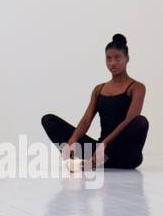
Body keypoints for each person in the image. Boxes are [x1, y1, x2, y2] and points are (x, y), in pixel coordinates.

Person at [41, 33, 149, 170]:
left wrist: (105, 144)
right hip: (97, 152)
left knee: (140, 122)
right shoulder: (99, 89)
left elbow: (129, 121)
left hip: (126, 155)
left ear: (127, 59)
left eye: (117, 58)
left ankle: (97, 160)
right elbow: (86, 120)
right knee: (49, 120)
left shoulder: (137, 88)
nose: (112, 63)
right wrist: (72, 141)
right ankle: (92, 159)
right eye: (108, 59)